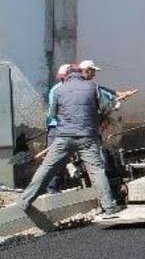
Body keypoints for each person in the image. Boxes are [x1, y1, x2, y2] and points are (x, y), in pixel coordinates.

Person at [18, 66, 122, 215]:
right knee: (96, 171)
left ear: (66, 77)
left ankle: (24, 201)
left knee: (47, 168)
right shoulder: (92, 87)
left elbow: (52, 114)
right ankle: (109, 207)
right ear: (81, 75)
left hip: (64, 137)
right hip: (87, 137)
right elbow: (106, 107)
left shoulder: (59, 90)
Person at [44, 63, 72, 194]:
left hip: (61, 127)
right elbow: (53, 113)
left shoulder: (58, 89)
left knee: (60, 160)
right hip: (58, 128)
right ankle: (52, 189)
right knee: (54, 160)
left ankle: (56, 188)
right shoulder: (58, 90)